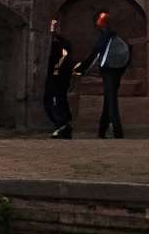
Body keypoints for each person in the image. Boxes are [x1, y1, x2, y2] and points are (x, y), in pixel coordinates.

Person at [84, 10, 130, 139]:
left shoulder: (105, 37)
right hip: (116, 71)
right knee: (109, 98)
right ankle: (102, 130)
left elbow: (94, 54)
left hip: (109, 71)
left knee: (111, 100)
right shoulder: (114, 37)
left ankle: (117, 132)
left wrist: (81, 70)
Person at [43, 16, 75, 138]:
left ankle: (62, 125)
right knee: (57, 100)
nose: (53, 28)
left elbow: (61, 60)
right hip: (58, 76)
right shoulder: (59, 42)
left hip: (58, 76)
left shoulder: (61, 43)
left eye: (55, 26)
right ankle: (63, 125)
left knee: (53, 100)